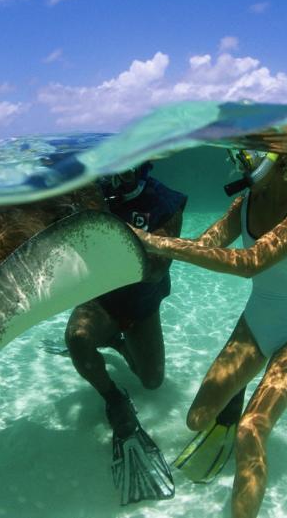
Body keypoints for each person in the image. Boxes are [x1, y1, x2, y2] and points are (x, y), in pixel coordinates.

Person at [129, 149, 287, 518]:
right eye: (237, 157)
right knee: (197, 419)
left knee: (251, 431)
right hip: (256, 321)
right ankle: (233, 403)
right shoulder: (245, 202)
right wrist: (143, 246)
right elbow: (206, 246)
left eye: (249, 158)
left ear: (277, 157)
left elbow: (250, 262)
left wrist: (155, 242)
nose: (240, 165)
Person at [49, 161, 187, 505]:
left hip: (142, 305)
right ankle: (113, 397)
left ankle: (117, 344)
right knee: (77, 338)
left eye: (127, 170)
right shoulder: (89, 194)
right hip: (102, 301)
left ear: (145, 167)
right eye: (112, 170)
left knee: (152, 381)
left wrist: (114, 232)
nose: (117, 180)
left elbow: (155, 271)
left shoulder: (166, 202)